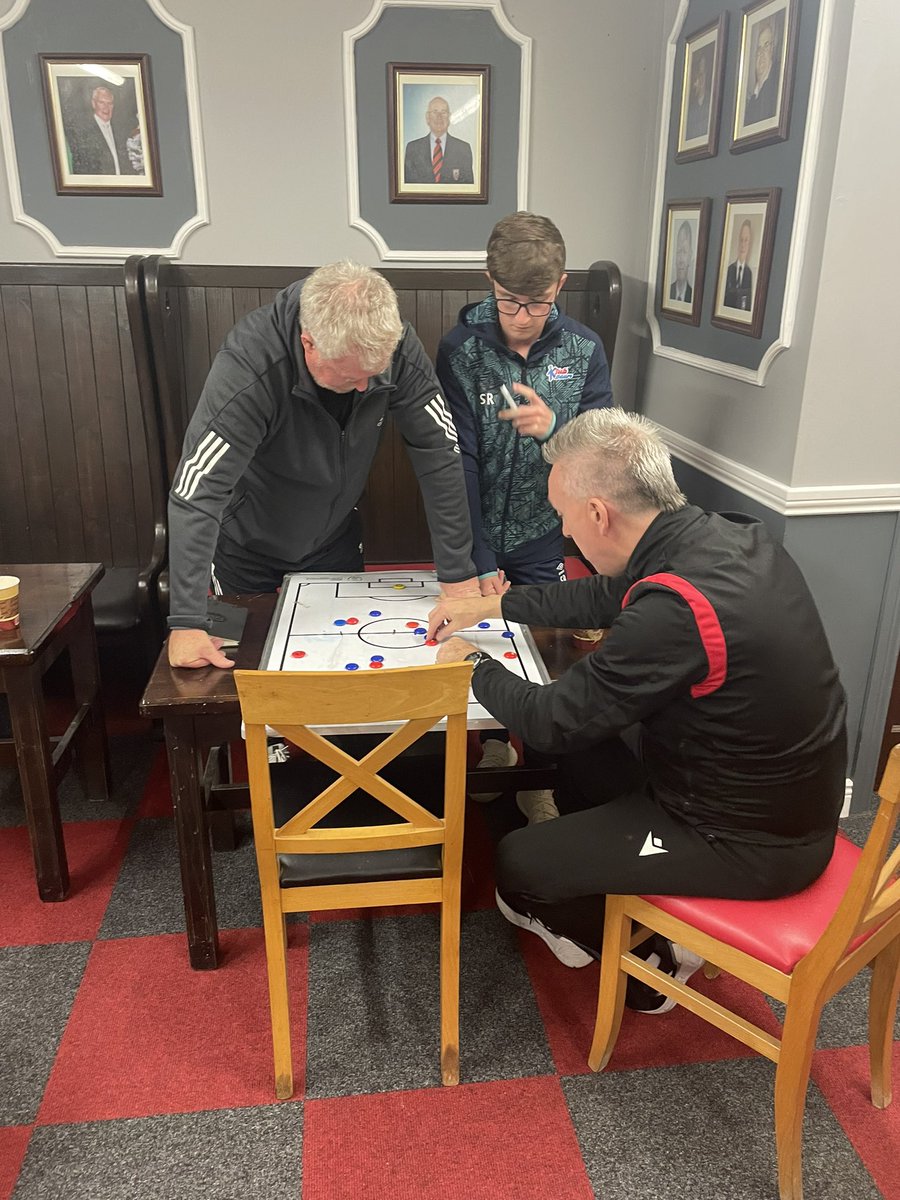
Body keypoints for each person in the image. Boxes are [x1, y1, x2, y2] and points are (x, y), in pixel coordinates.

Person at [428, 408, 847, 1012]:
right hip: (769, 797)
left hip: (751, 845)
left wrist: (471, 665)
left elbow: (551, 720)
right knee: (584, 754)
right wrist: (492, 606)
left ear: (599, 513)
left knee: (519, 862)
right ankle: (622, 886)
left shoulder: (674, 609)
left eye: (564, 515)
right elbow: (604, 595)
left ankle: (653, 963)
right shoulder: (729, 536)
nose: (564, 531)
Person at [167, 260, 479, 669]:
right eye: (351, 377)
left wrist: (457, 575)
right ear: (309, 343)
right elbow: (197, 490)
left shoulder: (394, 344)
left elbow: (440, 452)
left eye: (375, 374)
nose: (366, 387)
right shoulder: (252, 364)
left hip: (334, 538)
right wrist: (187, 621)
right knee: (245, 673)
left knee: (343, 665)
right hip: (246, 545)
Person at [436, 212, 612, 823]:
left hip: (544, 533)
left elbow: (602, 449)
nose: (521, 317)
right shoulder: (460, 349)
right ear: (490, 281)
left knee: (544, 650)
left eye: (536, 304)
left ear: (560, 285)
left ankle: (538, 768)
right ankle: (492, 747)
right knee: (483, 636)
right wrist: (477, 558)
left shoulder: (584, 349)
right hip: (476, 533)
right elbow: (456, 459)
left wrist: (556, 429)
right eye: (510, 301)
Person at [63, 84, 135, 176]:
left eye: (110, 103)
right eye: (102, 102)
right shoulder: (84, 133)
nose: (106, 107)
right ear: (93, 104)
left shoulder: (120, 131)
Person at [403, 97, 474, 185]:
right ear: (427, 117)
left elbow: (468, 189)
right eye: (435, 112)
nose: (439, 117)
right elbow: (408, 187)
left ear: (449, 117)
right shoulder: (413, 149)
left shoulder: (463, 149)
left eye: (443, 112)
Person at [744, 18, 779, 125]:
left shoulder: (776, 89)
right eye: (759, 48)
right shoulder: (751, 101)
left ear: (772, 49)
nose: (761, 52)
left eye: (766, 45)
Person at [723, 219, 753, 310]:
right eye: (741, 240)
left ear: (750, 244)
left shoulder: (749, 273)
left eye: (746, 240)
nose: (743, 245)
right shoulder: (729, 270)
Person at [684, 48, 711, 141]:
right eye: (697, 75)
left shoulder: (712, 104)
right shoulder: (689, 109)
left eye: (702, 75)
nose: (697, 82)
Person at [668, 221, 693, 303]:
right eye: (678, 251)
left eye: (685, 252)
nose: (681, 260)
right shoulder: (667, 292)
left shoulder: (693, 296)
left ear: (690, 257)